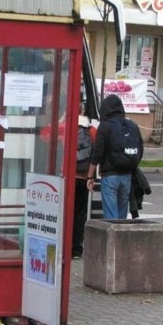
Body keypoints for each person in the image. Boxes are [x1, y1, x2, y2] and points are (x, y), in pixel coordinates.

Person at [86, 95, 144, 219]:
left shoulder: (105, 126)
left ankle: (112, 238)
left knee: (111, 217)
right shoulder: (132, 126)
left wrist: (90, 176)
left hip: (110, 176)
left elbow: (97, 153)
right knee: (122, 216)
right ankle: (120, 238)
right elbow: (141, 150)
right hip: (127, 176)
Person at [72, 110, 96, 258]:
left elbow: (44, 134)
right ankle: (76, 249)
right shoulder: (92, 130)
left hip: (67, 178)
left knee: (65, 212)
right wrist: (91, 176)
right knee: (80, 214)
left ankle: (64, 244)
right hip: (84, 177)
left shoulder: (65, 126)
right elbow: (97, 152)